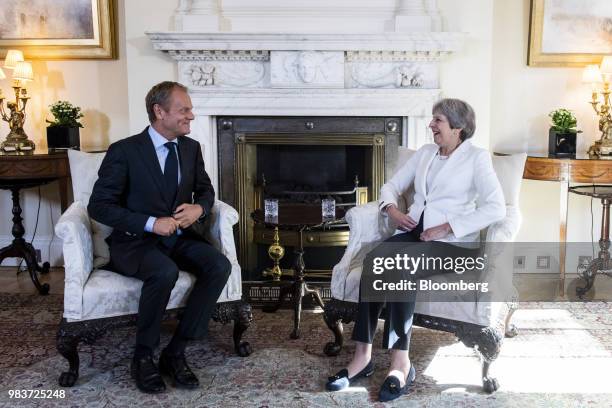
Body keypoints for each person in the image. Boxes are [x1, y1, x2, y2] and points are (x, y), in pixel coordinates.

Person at [325, 98, 505, 402]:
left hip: (453, 244)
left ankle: (401, 363)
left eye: (438, 121)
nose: (431, 125)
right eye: (433, 120)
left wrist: (448, 227)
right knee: (373, 260)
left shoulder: (477, 158)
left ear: (458, 128)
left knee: (401, 268)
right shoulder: (424, 153)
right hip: (414, 235)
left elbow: (496, 208)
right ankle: (363, 356)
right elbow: (391, 186)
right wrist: (392, 210)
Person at [88, 81, 231, 394]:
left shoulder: (191, 149)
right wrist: (151, 223)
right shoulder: (124, 151)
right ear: (159, 111)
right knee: (163, 272)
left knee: (219, 266)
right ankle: (143, 357)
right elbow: (99, 206)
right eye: (184, 110)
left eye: (190, 110)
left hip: (180, 238)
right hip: (135, 241)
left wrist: (199, 208)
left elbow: (206, 191)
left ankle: (175, 352)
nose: (191, 116)